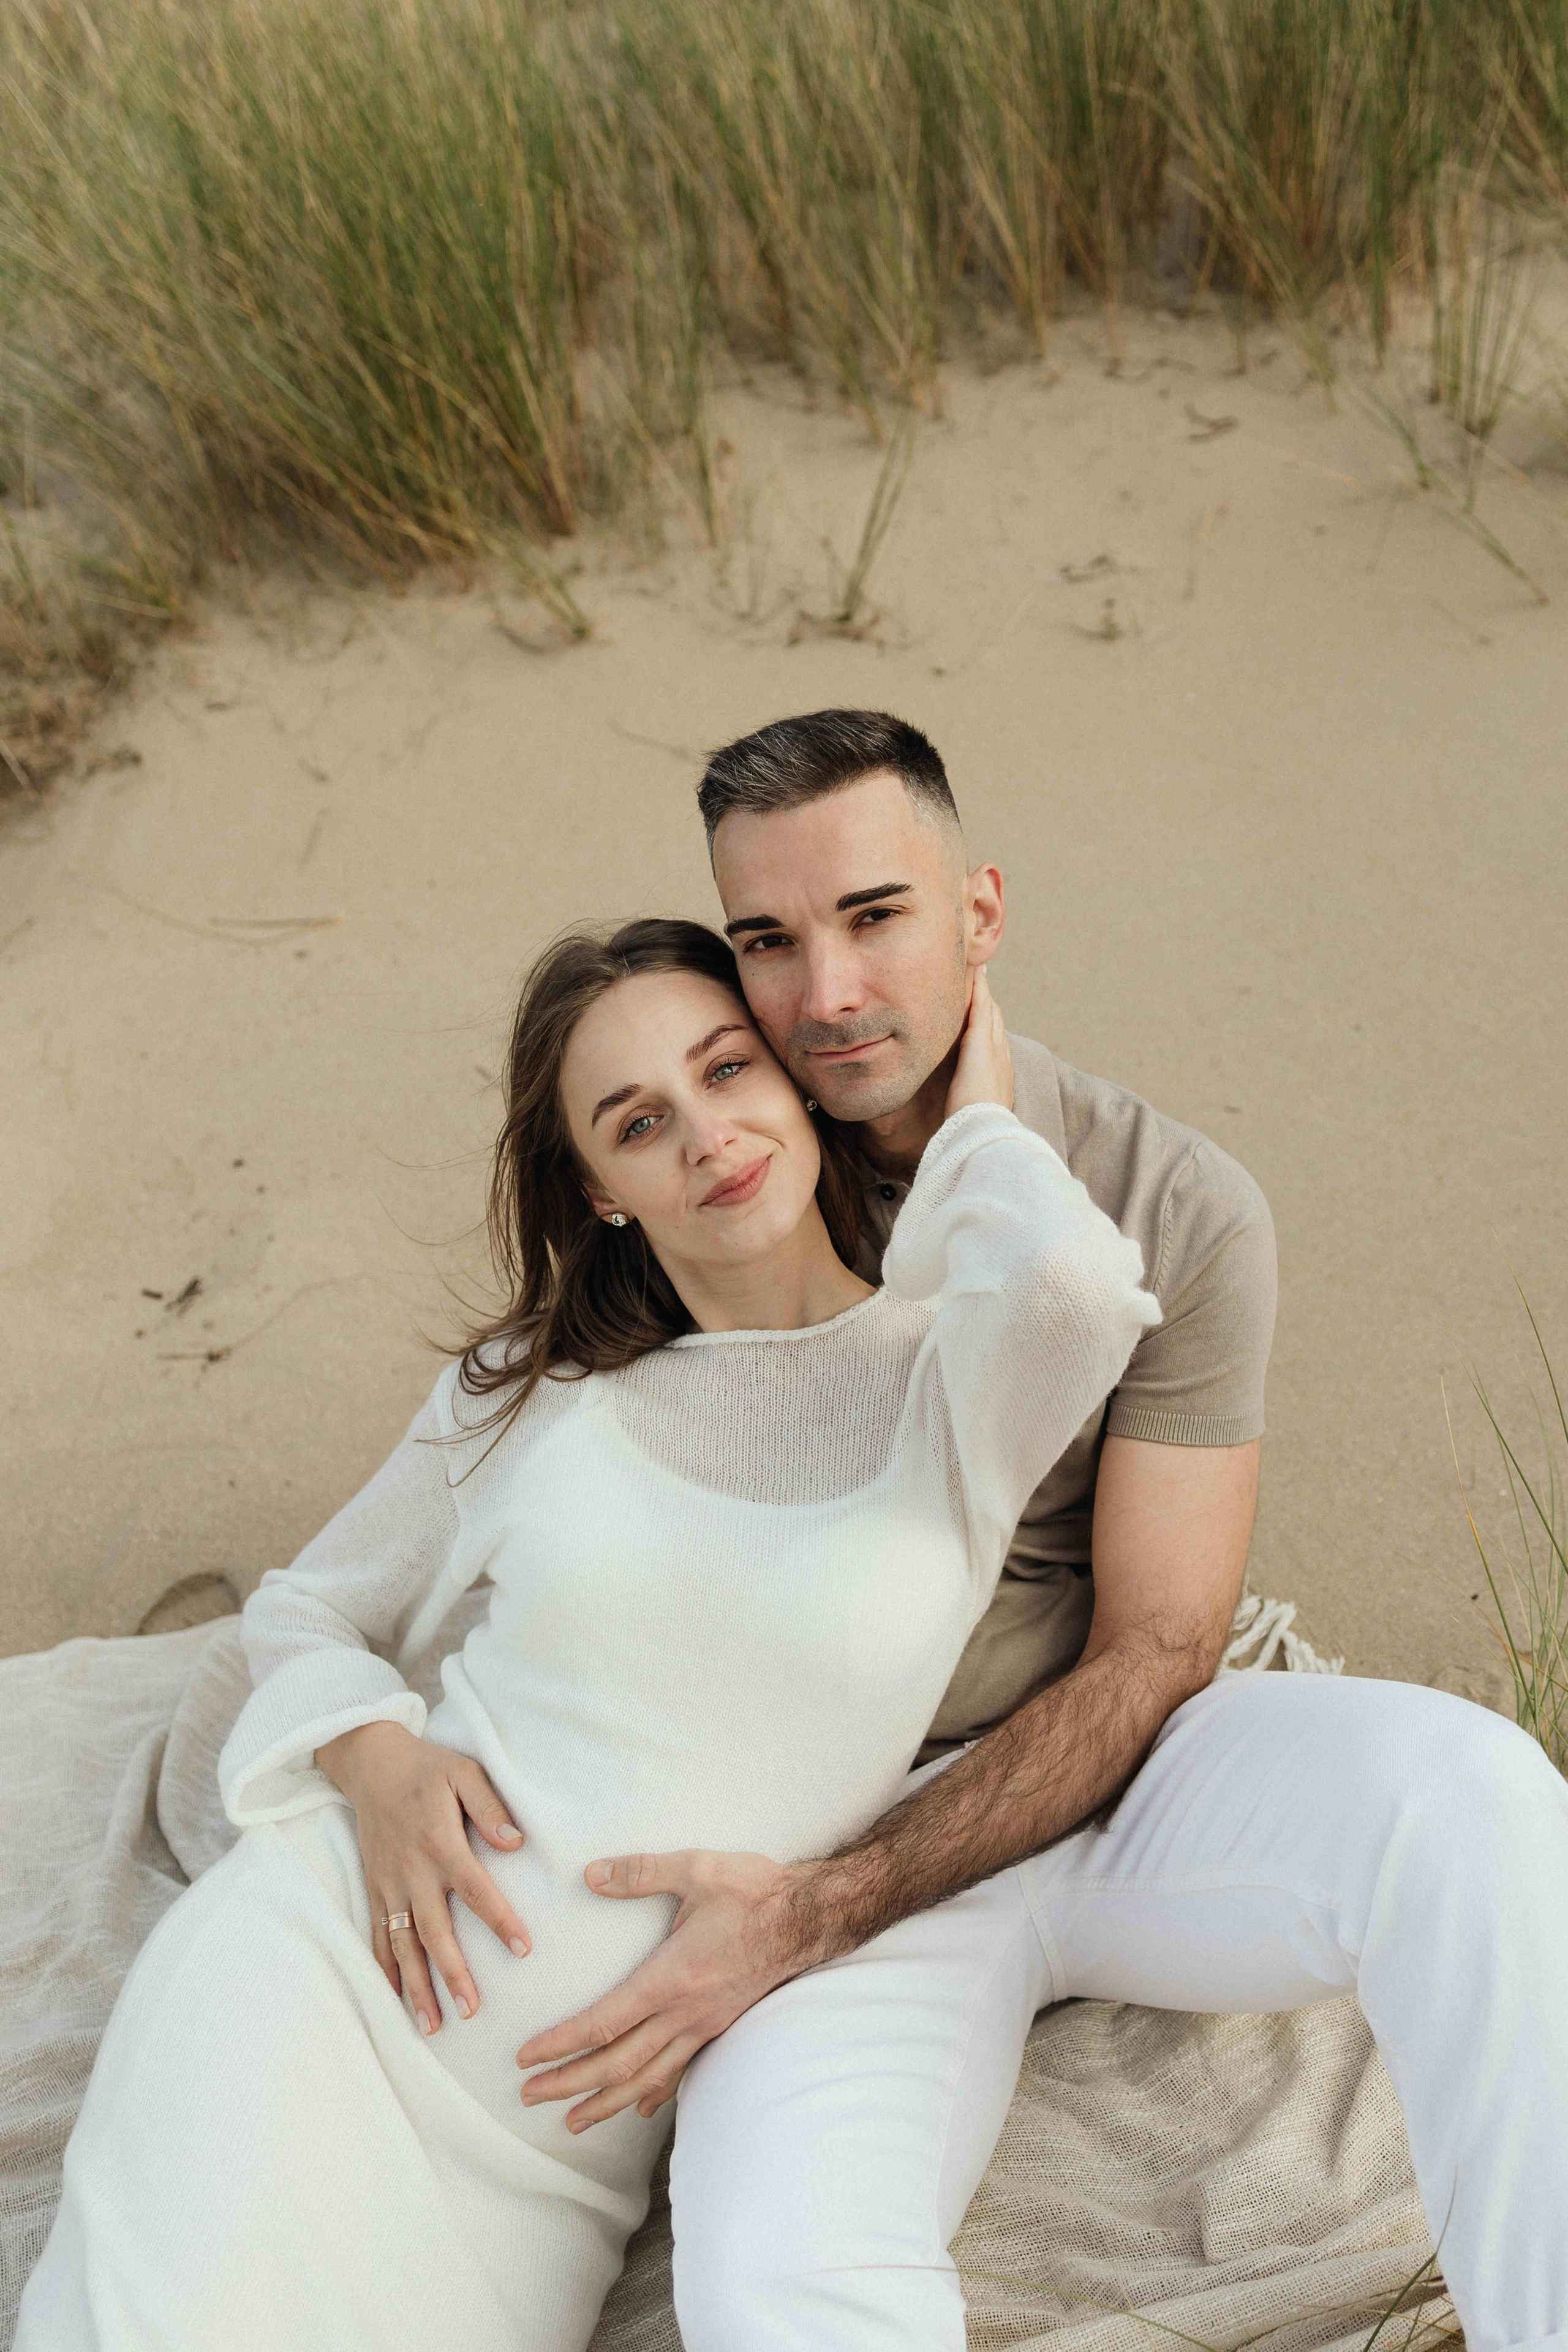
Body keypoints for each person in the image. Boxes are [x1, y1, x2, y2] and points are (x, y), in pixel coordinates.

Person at [333, 711, 1568, 2351]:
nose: (827, 994)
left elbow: (1161, 1647)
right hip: (814, 1822)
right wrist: (381, 1746)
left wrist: (831, 1905)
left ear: (980, 911)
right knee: (776, 2287)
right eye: (769, 942)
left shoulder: (1173, 1204)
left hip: (1115, 1777)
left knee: (1473, 1792)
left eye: (876, 917)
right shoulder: (728, 1162)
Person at [17, 917, 1160, 2350]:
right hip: (307, 1986)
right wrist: (376, 1762)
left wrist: (967, 1102)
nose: (706, 1136)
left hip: (551, 2164)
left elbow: (1074, 1286)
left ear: (795, 1079)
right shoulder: (537, 1390)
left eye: (727, 1070)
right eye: (638, 1121)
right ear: (600, 1191)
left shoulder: (950, 1384)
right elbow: (309, 1607)